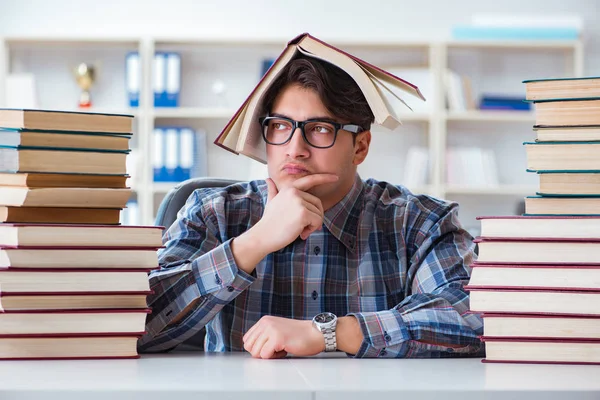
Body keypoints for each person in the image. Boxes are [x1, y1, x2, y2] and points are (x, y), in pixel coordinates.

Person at [138, 55, 484, 359]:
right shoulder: (214, 212)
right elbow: (136, 324)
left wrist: (332, 333)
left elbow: (474, 318)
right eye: (280, 126)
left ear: (360, 147)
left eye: (319, 129)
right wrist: (254, 242)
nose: (294, 148)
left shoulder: (420, 223)